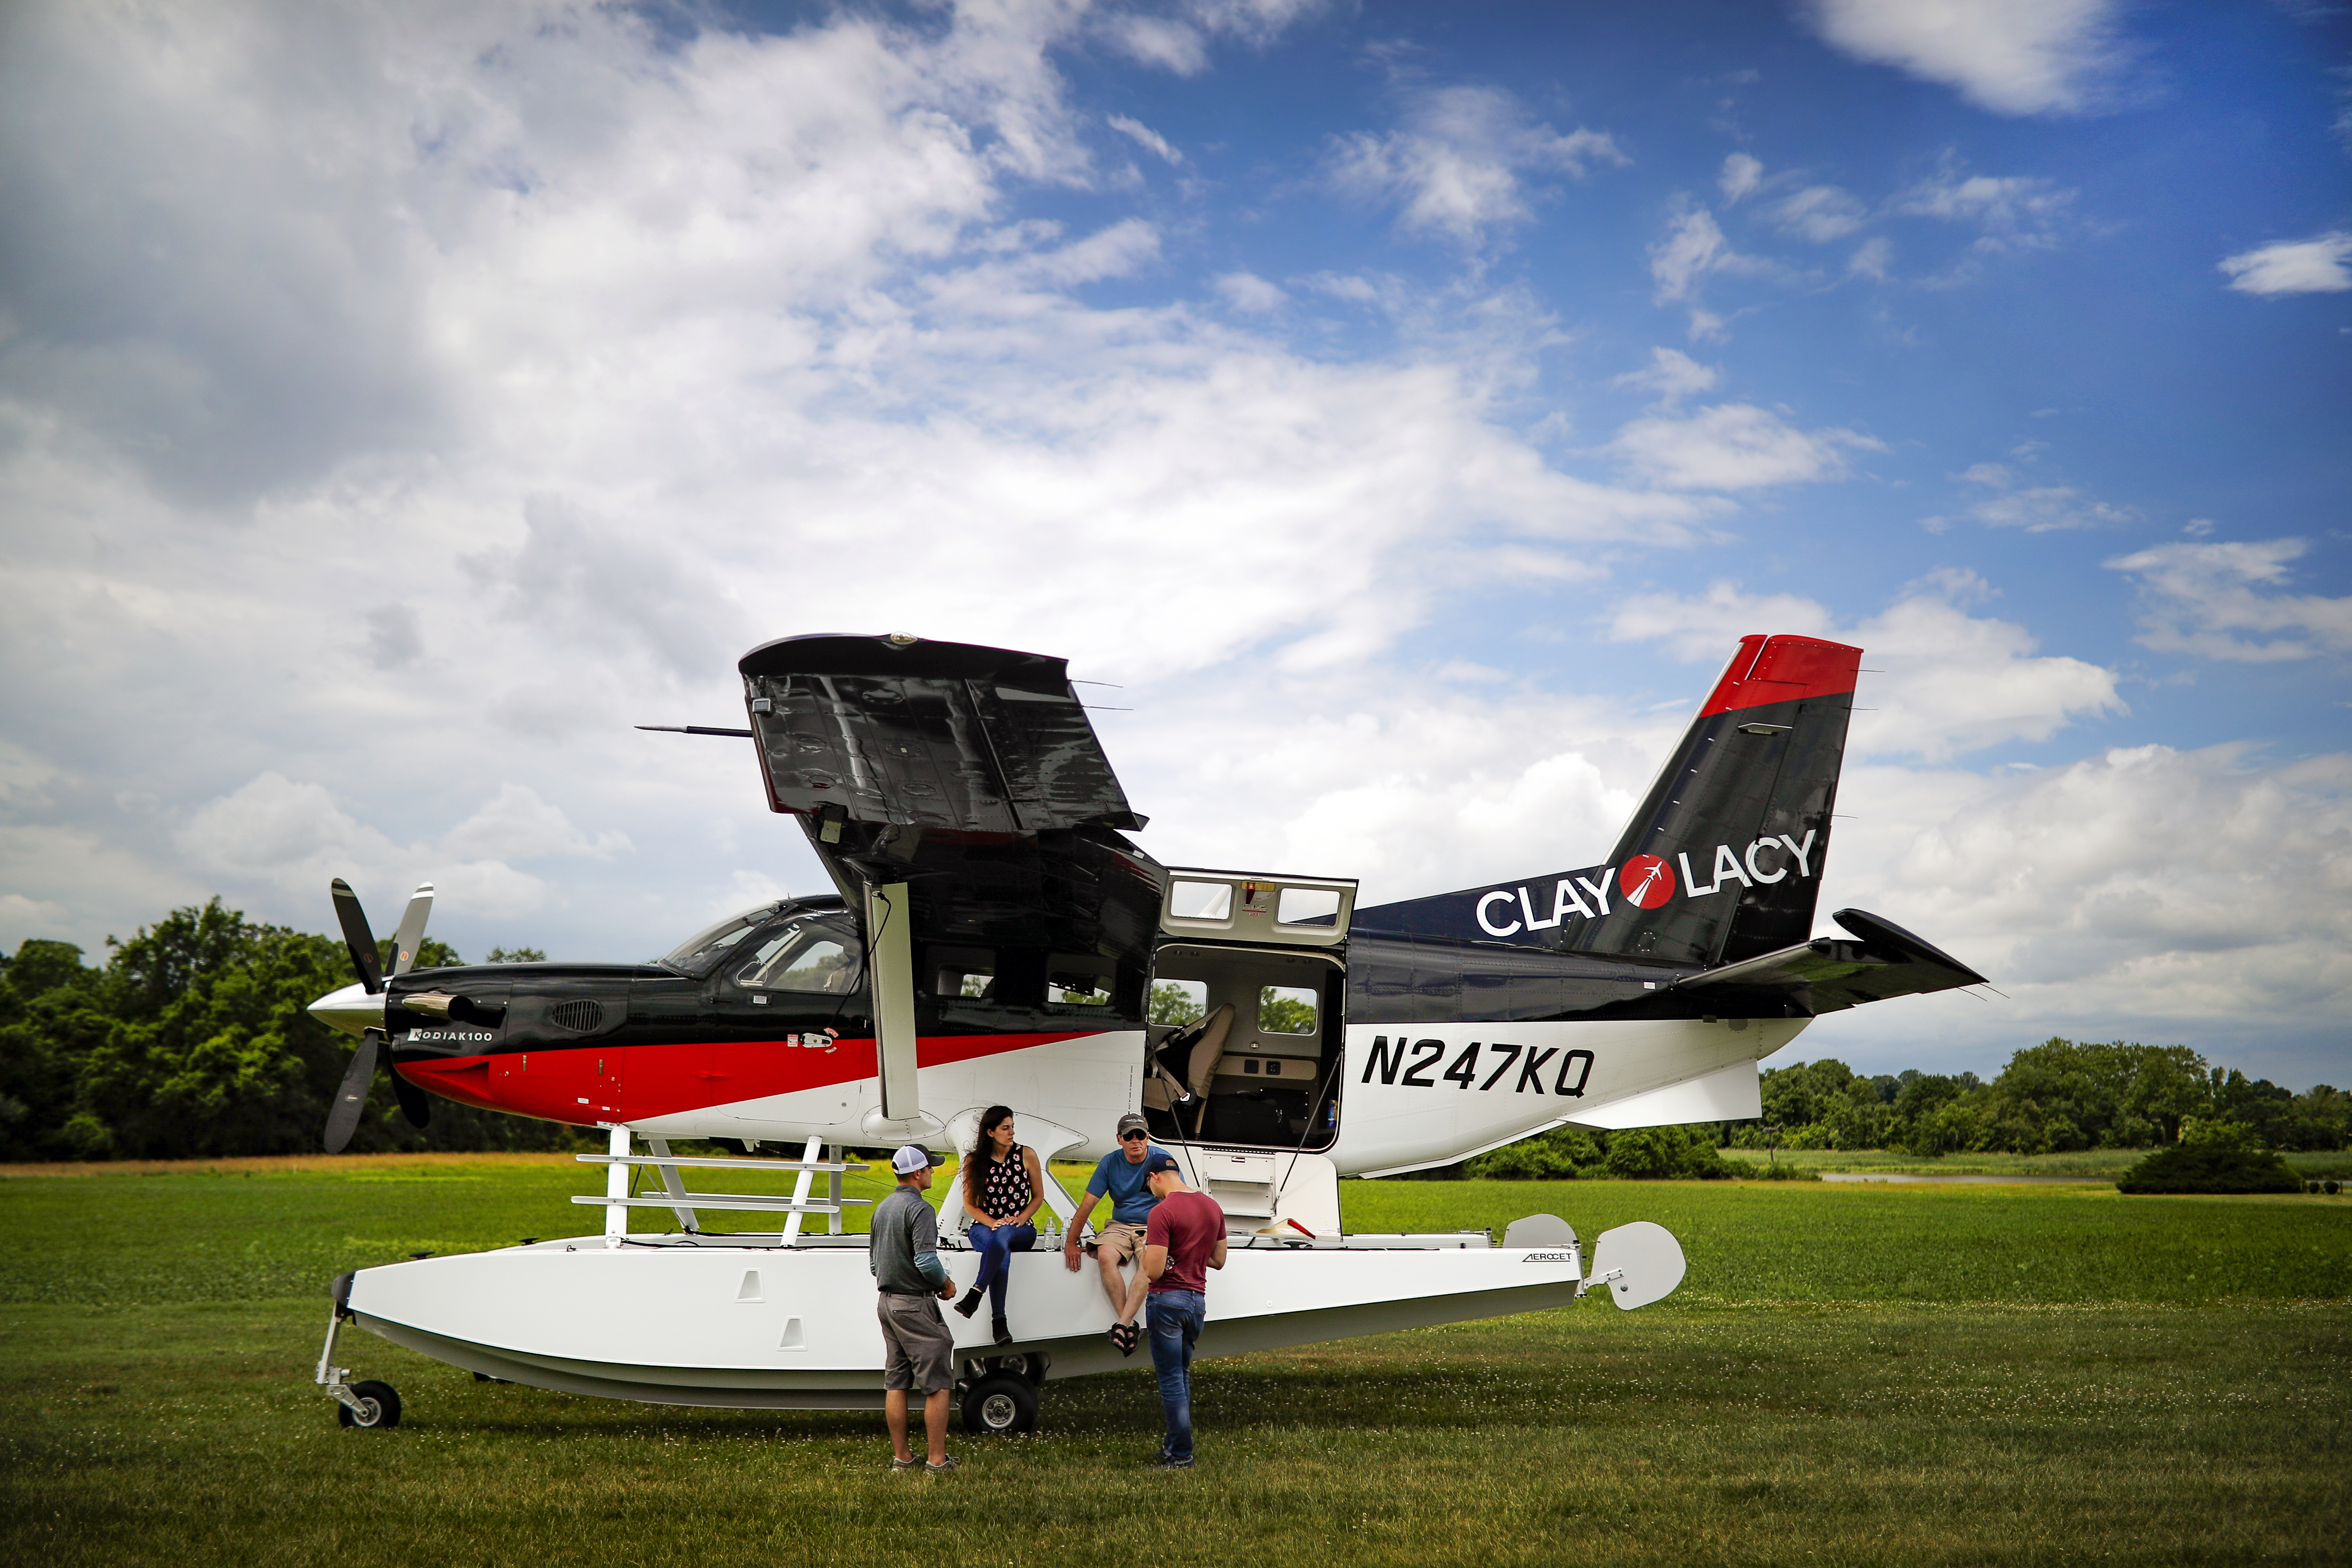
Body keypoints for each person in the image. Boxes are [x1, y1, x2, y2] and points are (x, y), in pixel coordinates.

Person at [870, 1143, 959, 1473]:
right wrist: (945, 1284)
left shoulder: (883, 1208)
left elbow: (874, 1263)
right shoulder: (921, 1209)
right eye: (931, 1168)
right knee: (938, 1383)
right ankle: (937, 1462)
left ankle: (903, 1459)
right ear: (918, 1173)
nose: (934, 1172)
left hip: (887, 1304)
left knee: (897, 1381)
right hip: (914, 1305)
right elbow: (925, 1259)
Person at [1139, 1150, 1225, 1468]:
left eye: (1149, 1187)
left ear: (1155, 1177)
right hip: (1196, 1303)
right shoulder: (1212, 1207)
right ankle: (1173, 1446)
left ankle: (1181, 1456)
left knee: (1171, 1380)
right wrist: (1189, 1253)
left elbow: (1154, 1271)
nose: (1151, 1193)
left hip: (1167, 1301)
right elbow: (1218, 1259)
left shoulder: (1162, 1212)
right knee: (1183, 1375)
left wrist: (1144, 1248)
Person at [1063, 1111, 1164, 1354]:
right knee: (1106, 1255)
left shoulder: (1163, 1159)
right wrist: (1070, 1243)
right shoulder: (1110, 1162)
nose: (1136, 1140)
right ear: (1120, 1139)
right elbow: (1087, 1205)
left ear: (1148, 1137)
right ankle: (1128, 1325)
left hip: (1154, 1224)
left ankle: (1122, 1325)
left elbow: (1177, 1198)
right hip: (1120, 1225)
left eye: (1141, 1135)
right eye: (1129, 1136)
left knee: (1149, 1262)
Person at [953, 1104, 1044, 1346]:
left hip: (1021, 1227)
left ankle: (976, 1293)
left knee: (1003, 1235)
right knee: (999, 1240)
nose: (1012, 1132)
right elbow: (970, 1205)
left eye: (1013, 1127)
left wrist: (1021, 1218)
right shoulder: (974, 1161)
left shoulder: (1027, 1155)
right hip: (985, 1225)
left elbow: (1038, 1197)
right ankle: (999, 1322)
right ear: (991, 1132)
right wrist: (994, 1223)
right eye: (1006, 1128)